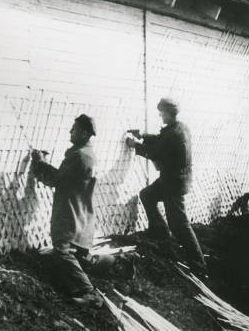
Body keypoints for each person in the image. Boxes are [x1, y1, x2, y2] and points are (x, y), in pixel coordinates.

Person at [31, 114, 105, 307]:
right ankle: (112, 263)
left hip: (71, 210)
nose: (70, 132)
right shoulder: (88, 154)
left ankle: (90, 293)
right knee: (79, 252)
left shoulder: (79, 156)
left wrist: (39, 164)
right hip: (82, 210)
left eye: (73, 129)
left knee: (62, 249)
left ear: (83, 133)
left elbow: (56, 180)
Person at [125, 98, 206, 273]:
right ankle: (159, 230)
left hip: (173, 183)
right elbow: (161, 139)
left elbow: (156, 151)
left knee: (179, 225)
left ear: (168, 113)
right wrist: (143, 136)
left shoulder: (174, 134)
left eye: (161, 113)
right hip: (173, 179)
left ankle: (198, 265)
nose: (160, 116)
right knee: (147, 195)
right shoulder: (179, 128)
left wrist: (136, 145)